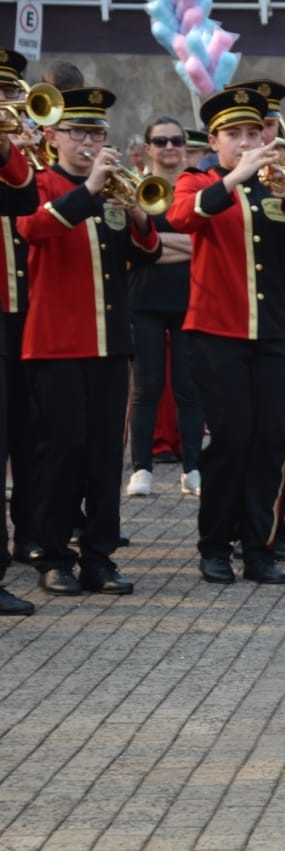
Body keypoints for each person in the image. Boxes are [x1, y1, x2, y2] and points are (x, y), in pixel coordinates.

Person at [169, 87, 285, 585]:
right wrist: (235, 178)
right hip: (217, 331)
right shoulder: (199, 180)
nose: (245, 142)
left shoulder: (274, 184)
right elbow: (180, 217)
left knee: (269, 441)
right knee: (232, 439)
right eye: (233, 134)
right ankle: (215, 544)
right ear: (214, 140)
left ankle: (258, 546)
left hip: (275, 331)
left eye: (252, 133)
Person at [21, 86, 160, 596]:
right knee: (61, 451)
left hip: (110, 343)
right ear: (54, 136)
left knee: (106, 453)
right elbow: (33, 230)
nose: (87, 141)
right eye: (77, 131)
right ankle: (53, 556)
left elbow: (143, 254)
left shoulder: (116, 192)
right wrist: (88, 192)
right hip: (55, 341)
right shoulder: (38, 184)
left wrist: (143, 218)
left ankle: (99, 557)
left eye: (96, 132)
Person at [224, 79, 285, 562]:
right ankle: (230, 530)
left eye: (265, 127)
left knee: (278, 434)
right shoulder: (217, 183)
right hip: (232, 324)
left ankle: (270, 529)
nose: (260, 138)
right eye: (249, 130)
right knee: (236, 434)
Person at [125, 115, 203, 499]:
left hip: (191, 301)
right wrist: (177, 246)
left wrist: (157, 245)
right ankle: (141, 469)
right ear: (149, 147)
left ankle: (193, 468)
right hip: (143, 301)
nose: (169, 147)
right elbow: (136, 250)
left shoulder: (197, 191)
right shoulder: (132, 189)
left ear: (185, 147)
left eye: (176, 141)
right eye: (161, 141)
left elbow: (203, 248)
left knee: (190, 390)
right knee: (147, 389)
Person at [0, 49, 42, 579]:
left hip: (30, 310)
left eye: (11, 93)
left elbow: (27, 199)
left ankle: (31, 536)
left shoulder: (27, 154)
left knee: (34, 434)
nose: (7, 102)